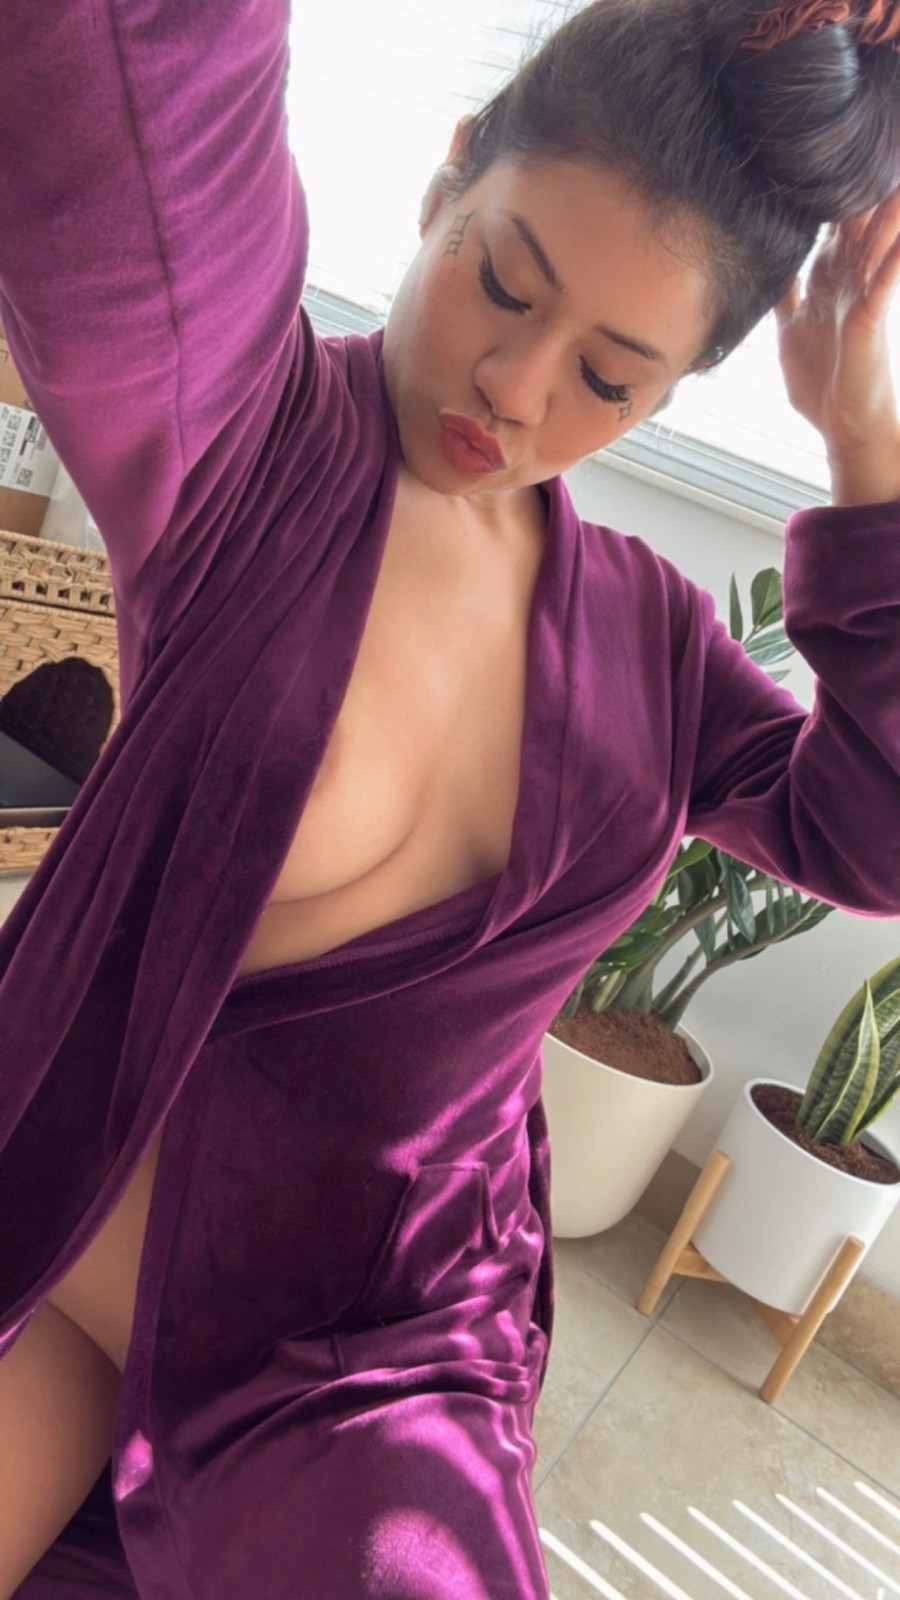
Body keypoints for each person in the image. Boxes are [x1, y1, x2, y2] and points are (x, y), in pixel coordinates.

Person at [0, 0, 898, 1593]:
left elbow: (869, 831)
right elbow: (128, 79)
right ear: (451, 174)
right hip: (94, 1252)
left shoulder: (650, 639)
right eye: (502, 281)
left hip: (394, 1356)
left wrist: (863, 455)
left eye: (609, 376)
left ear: (676, 392)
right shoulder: (248, 447)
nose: (514, 383)